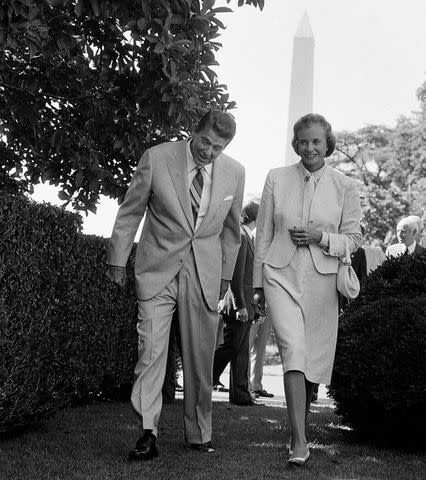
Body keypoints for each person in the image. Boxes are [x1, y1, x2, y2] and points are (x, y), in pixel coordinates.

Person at [106, 110, 245, 460]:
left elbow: (232, 232)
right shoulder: (157, 157)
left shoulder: (235, 173)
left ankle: (199, 434)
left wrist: (226, 277)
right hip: (157, 271)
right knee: (150, 352)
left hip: (205, 274)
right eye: (205, 142)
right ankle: (147, 432)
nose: (209, 152)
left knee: (200, 357)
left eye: (218, 147)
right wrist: (117, 261)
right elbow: (130, 213)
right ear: (193, 133)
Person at [253, 113, 362, 466]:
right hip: (279, 274)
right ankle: (299, 441)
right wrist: (257, 284)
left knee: (311, 359)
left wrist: (321, 237)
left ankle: (299, 420)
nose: (309, 147)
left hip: (322, 279)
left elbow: (354, 239)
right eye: (303, 141)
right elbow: (263, 234)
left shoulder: (345, 185)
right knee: (293, 351)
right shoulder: (276, 177)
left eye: (316, 141)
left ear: (327, 144)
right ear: (295, 144)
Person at [212, 200, 260, 406]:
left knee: (241, 352)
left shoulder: (248, 237)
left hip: (246, 305)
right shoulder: (240, 236)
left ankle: (241, 395)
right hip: (236, 305)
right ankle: (204, 376)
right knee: (230, 347)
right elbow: (236, 274)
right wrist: (240, 305)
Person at [248, 313, 274, 399]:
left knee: (260, 350)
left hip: (268, 308)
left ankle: (256, 386)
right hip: (253, 306)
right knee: (246, 348)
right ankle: (246, 387)